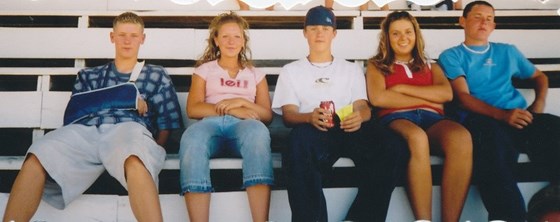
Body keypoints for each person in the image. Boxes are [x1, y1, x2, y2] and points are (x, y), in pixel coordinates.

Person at [2, 12, 183, 222]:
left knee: (136, 158)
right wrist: (128, 98)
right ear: (112, 37)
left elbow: (167, 123)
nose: (127, 40)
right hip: (85, 131)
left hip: (127, 130)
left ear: (143, 39)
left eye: (134, 35)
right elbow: (74, 113)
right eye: (122, 34)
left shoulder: (156, 75)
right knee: (38, 154)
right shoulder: (89, 75)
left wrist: (153, 147)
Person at [272, 5, 408, 222]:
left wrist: (359, 117)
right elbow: (289, 115)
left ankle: (361, 218)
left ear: (334, 34)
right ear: (305, 33)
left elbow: (363, 106)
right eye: (314, 28)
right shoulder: (291, 71)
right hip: (313, 128)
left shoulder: (350, 69)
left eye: (325, 29)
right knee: (296, 144)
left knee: (392, 146)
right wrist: (308, 117)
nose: (319, 34)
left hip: (347, 125)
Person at [438, 1, 560, 221]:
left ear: (494, 25)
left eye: (489, 18)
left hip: (518, 116)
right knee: (493, 153)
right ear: (462, 21)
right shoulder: (452, 56)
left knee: (554, 127)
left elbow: (539, 77)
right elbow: (463, 98)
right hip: (480, 119)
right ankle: (511, 217)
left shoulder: (508, 51)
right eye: (477, 16)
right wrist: (503, 115)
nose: (484, 22)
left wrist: (538, 105)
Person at [366, 11, 472, 221]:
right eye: (395, 34)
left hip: (433, 120)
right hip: (396, 119)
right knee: (417, 137)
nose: (403, 38)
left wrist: (401, 88)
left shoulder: (430, 65)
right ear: (386, 37)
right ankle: (423, 219)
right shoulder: (376, 65)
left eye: (408, 32)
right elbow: (379, 99)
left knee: (461, 138)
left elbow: (446, 94)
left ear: (416, 35)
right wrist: (428, 99)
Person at [178, 12, 274, 222]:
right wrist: (231, 109)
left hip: (244, 127)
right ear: (216, 40)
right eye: (225, 37)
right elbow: (193, 109)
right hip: (210, 126)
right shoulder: (204, 70)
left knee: (258, 133)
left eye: (237, 37)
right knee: (192, 139)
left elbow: (266, 115)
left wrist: (243, 103)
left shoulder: (255, 74)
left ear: (243, 41)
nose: (231, 41)